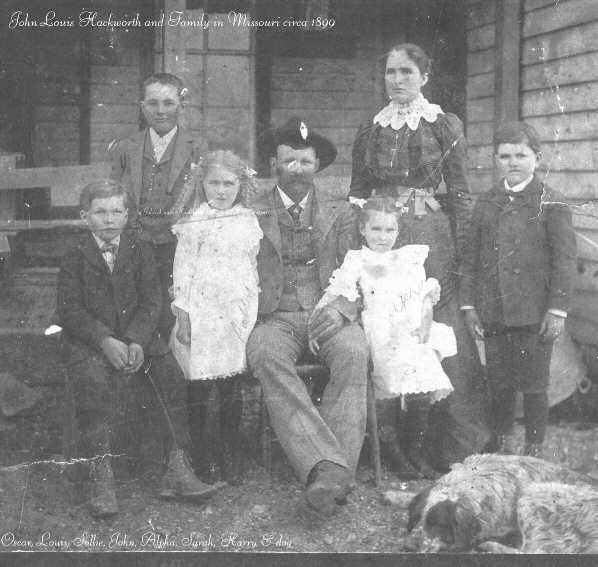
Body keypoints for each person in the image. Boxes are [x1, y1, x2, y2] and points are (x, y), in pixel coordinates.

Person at [349, 42, 490, 475]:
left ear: (424, 77)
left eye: (407, 71)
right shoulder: (370, 129)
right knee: (391, 327)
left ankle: (452, 445)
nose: (397, 80)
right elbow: (357, 194)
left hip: (431, 234)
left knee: (436, 327)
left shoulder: (443, 125)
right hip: (383, 236)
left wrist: (463, 252)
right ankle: (394, 443)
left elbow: (463, 195)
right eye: (391, 72)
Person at [57, 180, 217, 519]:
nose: (110, 219)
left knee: (171, 376)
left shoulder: (140, 248)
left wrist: (136, 340)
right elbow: (69, 309)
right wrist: (104, 340)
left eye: (117, 211)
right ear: (85, 216)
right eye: (100, 212)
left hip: (137, 339)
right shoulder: (74, 254)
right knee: (93, 382)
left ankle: (176, 467)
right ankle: (101, 475)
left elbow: (152, 300)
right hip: (91, 342)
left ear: (128, 214)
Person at [246, 117, 368, 516]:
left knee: (354, 350)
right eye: (289, 162)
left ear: (318, 166)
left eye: (306, 162)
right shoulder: (251, 211)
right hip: (275, 317)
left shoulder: (342, 212)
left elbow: (361, 267)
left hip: (326, 311)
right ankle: (327, 467)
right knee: (264, 353)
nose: (297, 170)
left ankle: (329, 474)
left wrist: (343, 309)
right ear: (273, 165)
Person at [315, 196, 457, 478]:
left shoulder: (408, 257)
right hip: (379, 331)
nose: (383, 237)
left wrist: (425, 315)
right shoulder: (356, 261)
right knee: (388, 375)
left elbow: (424, 293)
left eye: (389, 231)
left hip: (410, 327)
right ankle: (391, 449)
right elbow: (338, 296)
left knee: (423, 367)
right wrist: (320, 321)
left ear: (398, 232)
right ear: (362, 230)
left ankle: (413, 448)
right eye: (376, 230)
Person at [460, 122, 576, 458]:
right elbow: (471, 257)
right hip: (494, 310)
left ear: (536, 158)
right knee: (500, 383)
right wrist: (469, 305)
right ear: (496, 159)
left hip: (534, 312)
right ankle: (502, 445)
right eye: (505, 156)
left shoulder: (551, 202)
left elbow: (564, 261)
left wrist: (557, 310)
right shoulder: (487, 202)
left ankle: (534, 449)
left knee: (535, 384)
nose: (513, 162)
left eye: (521, 155)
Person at [170, 150, 262, 483]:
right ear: (202, 183)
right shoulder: (195, 220)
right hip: (201, 313)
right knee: (199, 387)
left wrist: (247, 313)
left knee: (230, 388)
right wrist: (184, 315)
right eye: (214, 183)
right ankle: (202, 454)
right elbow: (183, 270)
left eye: (228, 183)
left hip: (233, 312)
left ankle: (229, 453)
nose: (221, 191)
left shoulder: (248, 218)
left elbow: (251, 265)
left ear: (241, 184)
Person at [108, 72, 205, 352]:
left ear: (181, 106)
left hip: (179, 247)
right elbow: (116, 196)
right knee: (136, 312)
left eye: (168, 103)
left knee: (173, 314)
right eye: (153, 103)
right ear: (142, 106)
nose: (161, 110)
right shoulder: (125, 148)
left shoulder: (198, 147)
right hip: (137, 243)